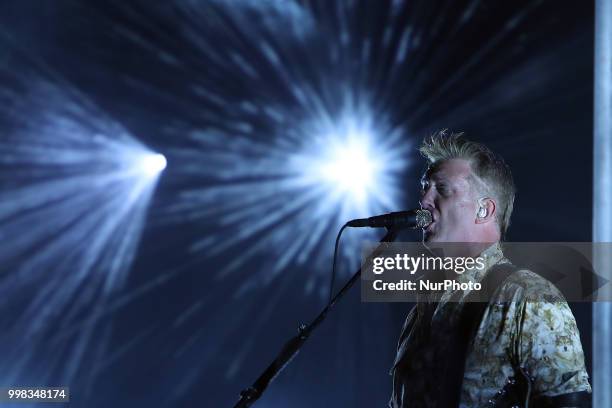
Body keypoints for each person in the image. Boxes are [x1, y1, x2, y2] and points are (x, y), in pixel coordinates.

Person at [389, 131, 592, 407]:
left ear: (484, 210)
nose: (424, 199)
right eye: (424, 186)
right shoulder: (423, 308)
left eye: (442, 188)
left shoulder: (528, 298)